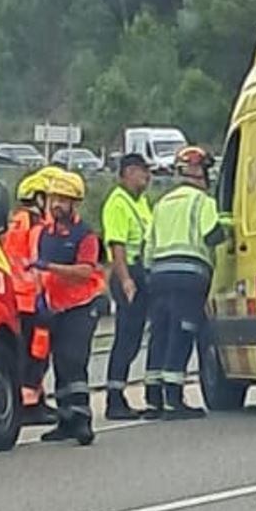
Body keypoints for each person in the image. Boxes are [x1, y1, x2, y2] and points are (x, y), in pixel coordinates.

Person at [143, 146, 225, 420]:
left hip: (158, 275)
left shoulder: (162, 203)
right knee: (181, 334)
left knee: (160, 334)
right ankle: (173, 400)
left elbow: (148, 246)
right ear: (199, 172)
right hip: (189, 275)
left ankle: (153, 398)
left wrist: (150, 274)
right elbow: (212, 235)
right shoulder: (203, 202)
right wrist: (228, 228)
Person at [33, 170, 106, 445]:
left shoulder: (85, 235)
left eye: (63, 200)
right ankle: (65, 421)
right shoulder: (45, 234)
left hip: (82, 305)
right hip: (55, 307)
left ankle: (82, 420)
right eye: (53, 199)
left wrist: (51, 267)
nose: (56, 205)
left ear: (74, 203)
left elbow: (85, 272)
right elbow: (38, 271)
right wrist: (40, 298)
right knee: (60, 363)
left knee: (74, 359)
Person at [101, 152, 155, 420]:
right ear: (129, 172)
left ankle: (120, 394)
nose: (148, 177)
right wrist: (125, 281)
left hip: (141, 272)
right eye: (143, 171)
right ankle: (114, 398)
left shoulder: (141, 201)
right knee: (126, 337)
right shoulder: (117, 203)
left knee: (134, 338)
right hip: (128, 273)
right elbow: (117, 247)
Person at [2, 169, 56, 424]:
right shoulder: (35, 225)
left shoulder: (15, 221)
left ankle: (35, 399)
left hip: (17, 297)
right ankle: (31, 404)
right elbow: (39, 261)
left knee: (28, 351)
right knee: (37, 352)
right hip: (32, 297)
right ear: (39, 198)